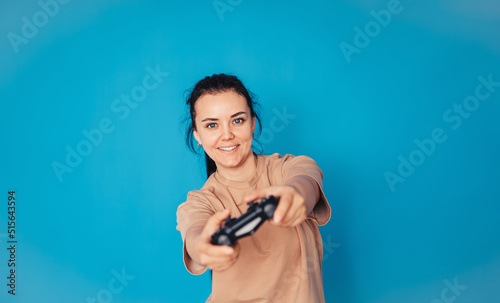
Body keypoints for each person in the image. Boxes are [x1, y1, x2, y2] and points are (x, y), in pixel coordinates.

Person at [176, 74, 331, 302]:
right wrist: (204, 247)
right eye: (212, 125)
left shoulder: (289, 168)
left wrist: (296, 196)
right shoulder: (199, 202)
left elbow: (306, 180)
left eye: (237, 120)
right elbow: (195, 236)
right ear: (198, 135)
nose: (227, 135)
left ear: (252, 123)